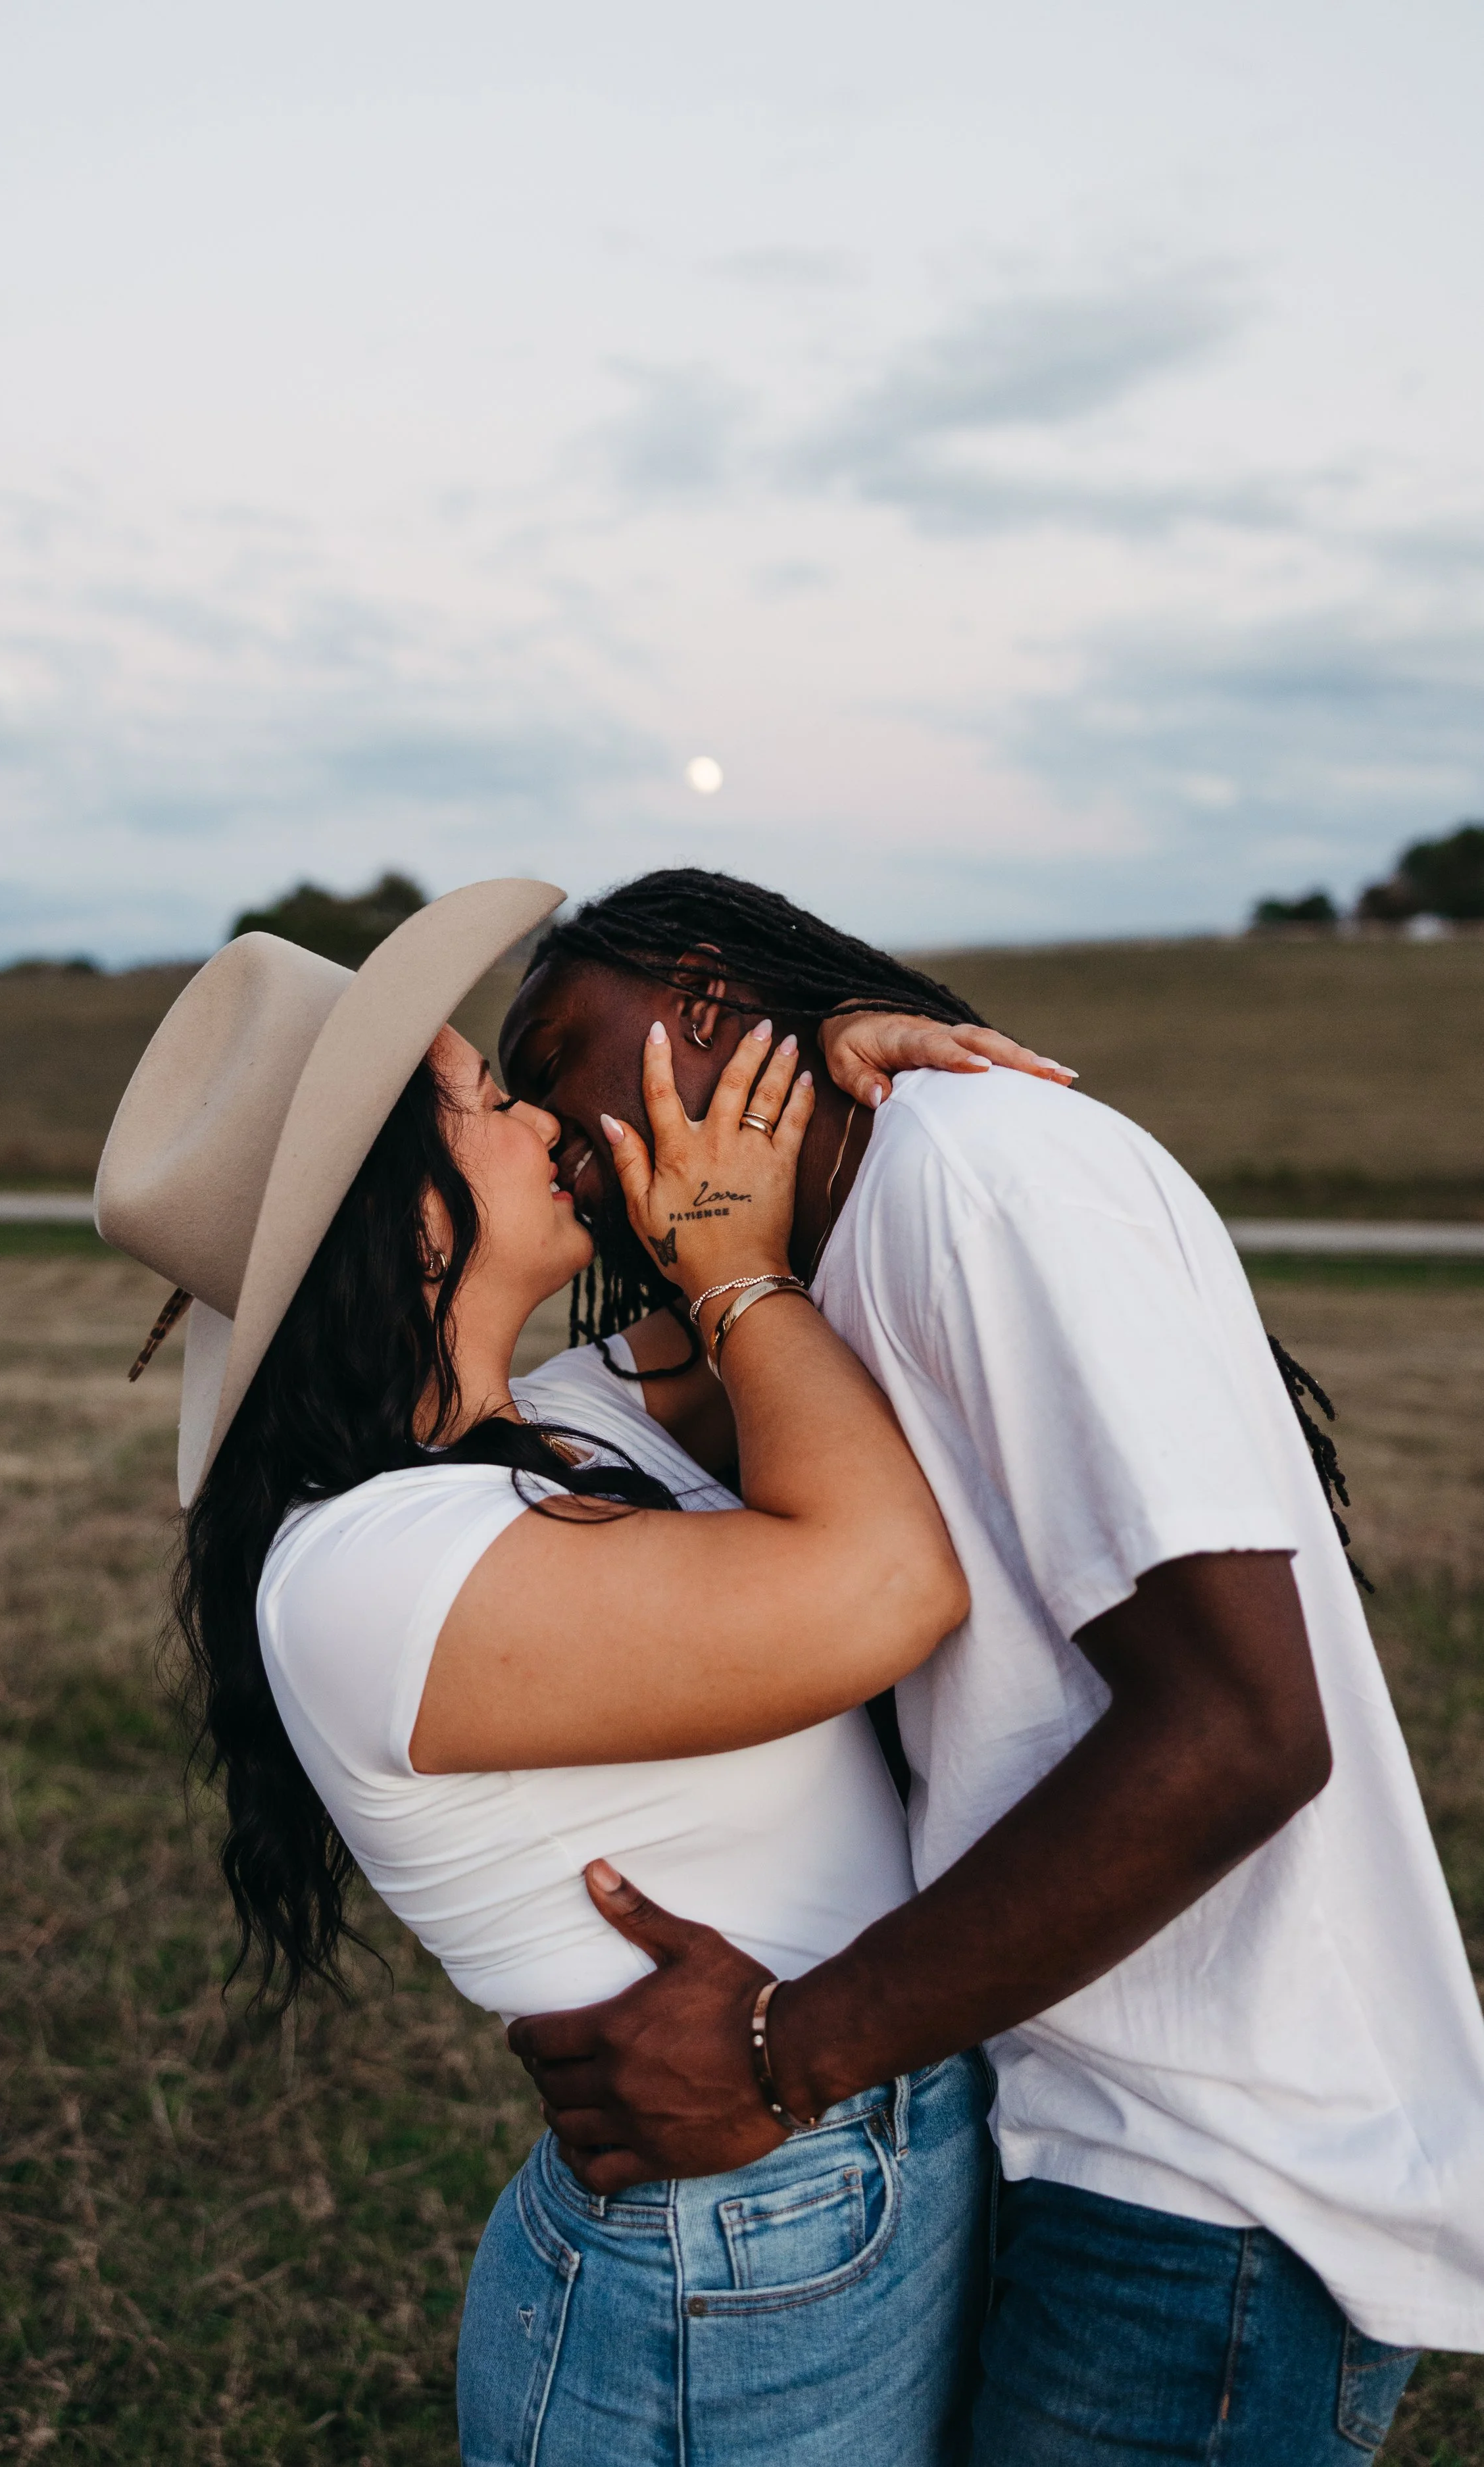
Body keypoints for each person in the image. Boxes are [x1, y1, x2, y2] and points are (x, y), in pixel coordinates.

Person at [499, 866, 1484, 2467]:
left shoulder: (981, 1174)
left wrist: (781, 2053)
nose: (549, 1129)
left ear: (696, 992)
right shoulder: (815, 1262)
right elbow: (525, 1426)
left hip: (1204, 2184)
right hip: (1059, 2122)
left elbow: (1240, 1731)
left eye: (552, 1059)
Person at [93, 878, 1070, 2467]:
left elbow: (754, 1286)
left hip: (811, 2183)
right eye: (484, 1098)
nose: (545, 1118)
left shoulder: (554, 1434)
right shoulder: (368, 1573)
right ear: (401, 1214)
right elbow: (886, 1582)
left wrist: (818, 1044)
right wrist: (730, 1275)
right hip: (726, 2253)